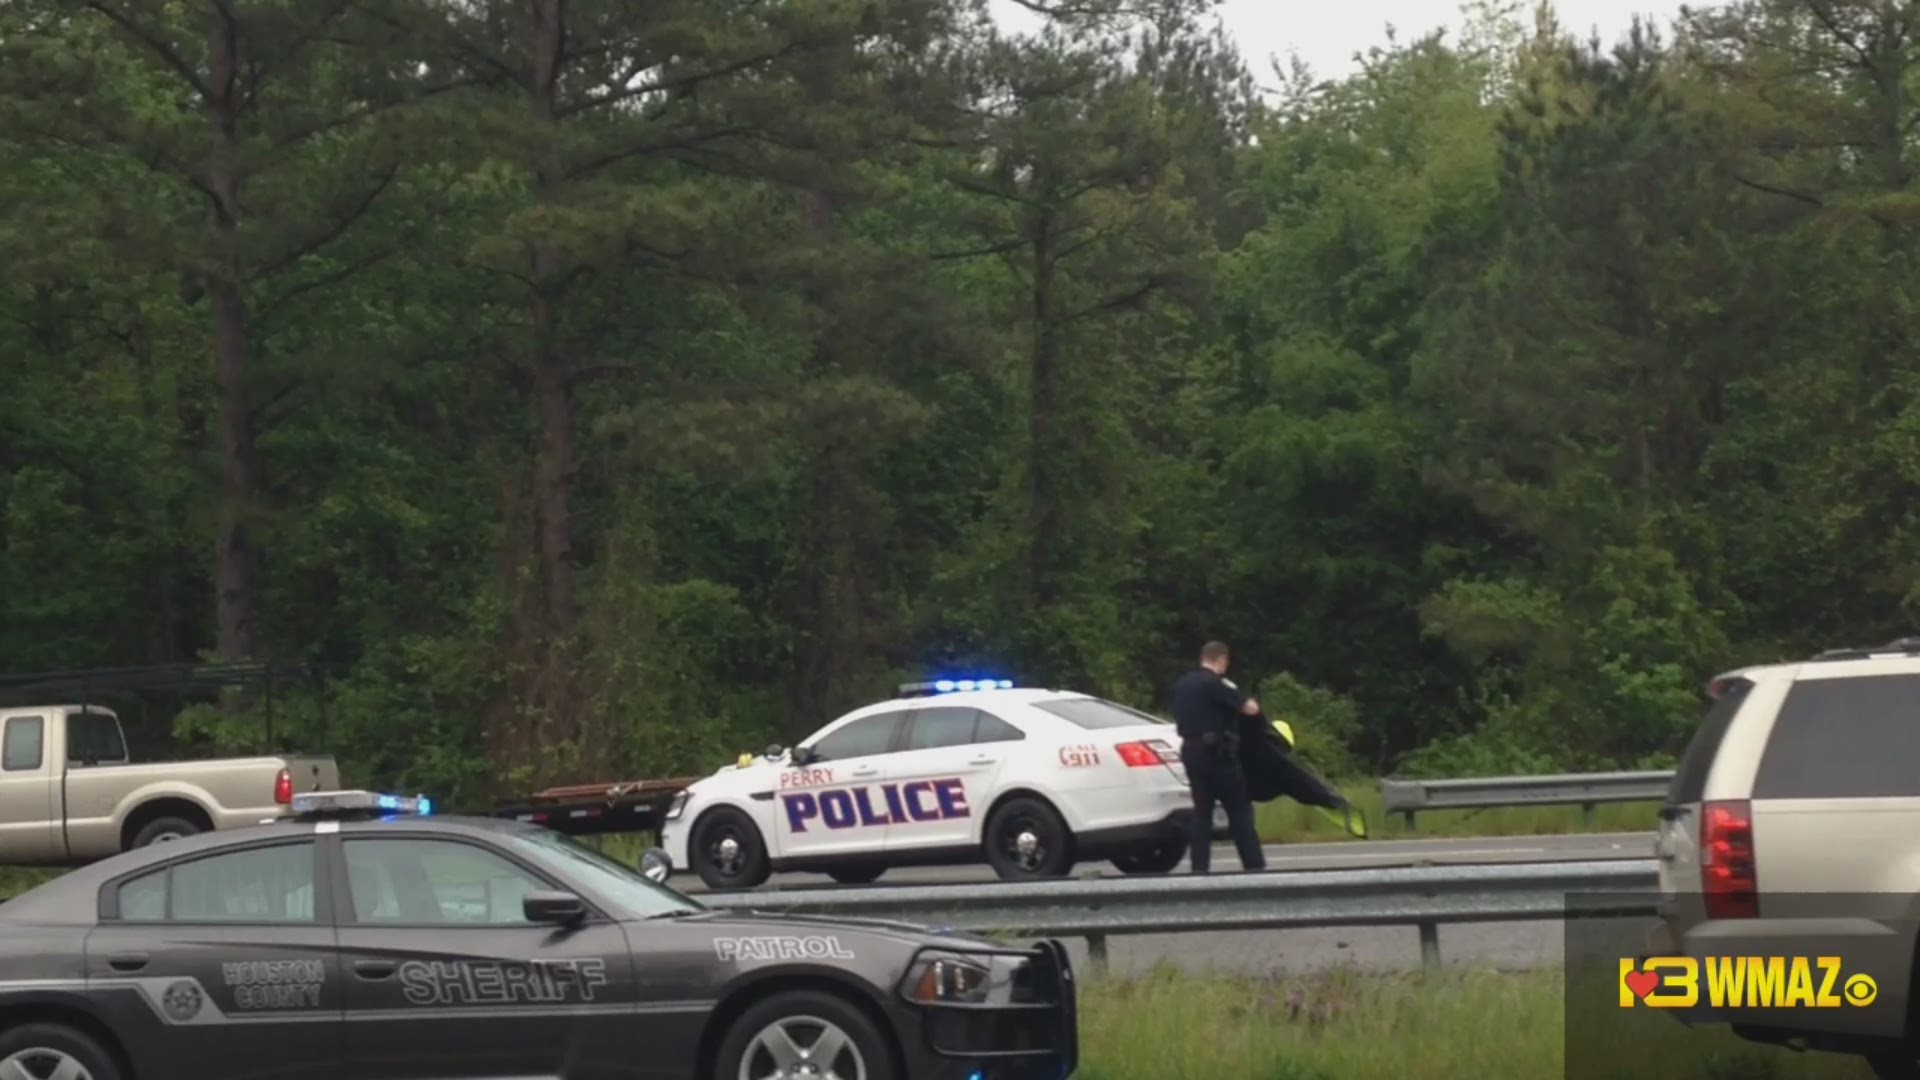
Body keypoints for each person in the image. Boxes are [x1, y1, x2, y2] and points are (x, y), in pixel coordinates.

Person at [1169, 640, 1268, 873]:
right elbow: (1249, 710)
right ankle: (1255, 867)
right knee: (1239, 813)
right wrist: (1248, 700)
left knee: (1201, 814)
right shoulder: (1216, 684)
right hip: (1219, 756)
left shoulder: (1181, 685)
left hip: (1191, 752)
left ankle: (1199, 870)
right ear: (1221, 660)